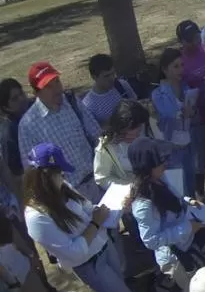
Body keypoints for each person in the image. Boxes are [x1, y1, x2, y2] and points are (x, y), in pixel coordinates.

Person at [23, 143, 140, 292]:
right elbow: (74, 252)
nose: (64, 177)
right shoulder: (36, 217)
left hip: (105, 246)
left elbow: (88, 209)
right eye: (59, 173)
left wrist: (113, 209)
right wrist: (95, 221)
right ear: (45, 176)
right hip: (90, 265)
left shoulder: (63, 188)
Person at [128, 137, 204, 292]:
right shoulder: (144, 204)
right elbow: (151, 241)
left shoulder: (159, 178)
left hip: (186, 245)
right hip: (175, 259)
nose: (165, 163)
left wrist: (188, 201)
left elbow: (173, 195)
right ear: (147, 166)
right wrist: (187, 228)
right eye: (159, 161)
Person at [19, 62, 103, 203]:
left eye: (57, 81)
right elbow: (33, 172)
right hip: (70, 197)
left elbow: (96, 135)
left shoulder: (71, 102)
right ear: (36, 93)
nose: (57, 89)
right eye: (48, 87)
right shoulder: (28, 125)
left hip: (97, 182)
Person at [177, 19, 205, 199]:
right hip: (200, 118)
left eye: (196, 36)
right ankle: (199, 193)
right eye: (190, 39)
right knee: (201, 160)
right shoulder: (180, 62)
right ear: (181, 41)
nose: (195, 41)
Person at [151, 47, 197, 197]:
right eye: (175, 66)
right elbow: (165, 118)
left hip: (188, 144)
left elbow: (192, 114)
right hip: (171, 150)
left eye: (182, 65)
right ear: (165, 69)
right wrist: (181, 114)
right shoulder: (158, 94)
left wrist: (192, 113)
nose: (180, 70)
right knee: (179, 190)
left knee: (191, 186)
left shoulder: (186, 88)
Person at [93, 99, 155, 187]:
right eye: (124, 134)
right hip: (131, 191)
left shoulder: (150, 126)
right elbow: (102, 178)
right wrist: (127, 187)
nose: (131, 138)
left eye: (137, 134)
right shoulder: (106, 146)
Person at [80, 54, 138, 127]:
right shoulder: (88, 105)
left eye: (113, 73)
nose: (112, 78)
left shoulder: (122, 85)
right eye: (106, 76)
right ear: (94, 77)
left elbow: (137, 106)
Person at [0, 77, 30, 188]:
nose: (21, 99)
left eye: (21, 93)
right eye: (15, 99)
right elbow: (17, 173)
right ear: (6, 107)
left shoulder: (33, 107)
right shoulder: (10, 133)